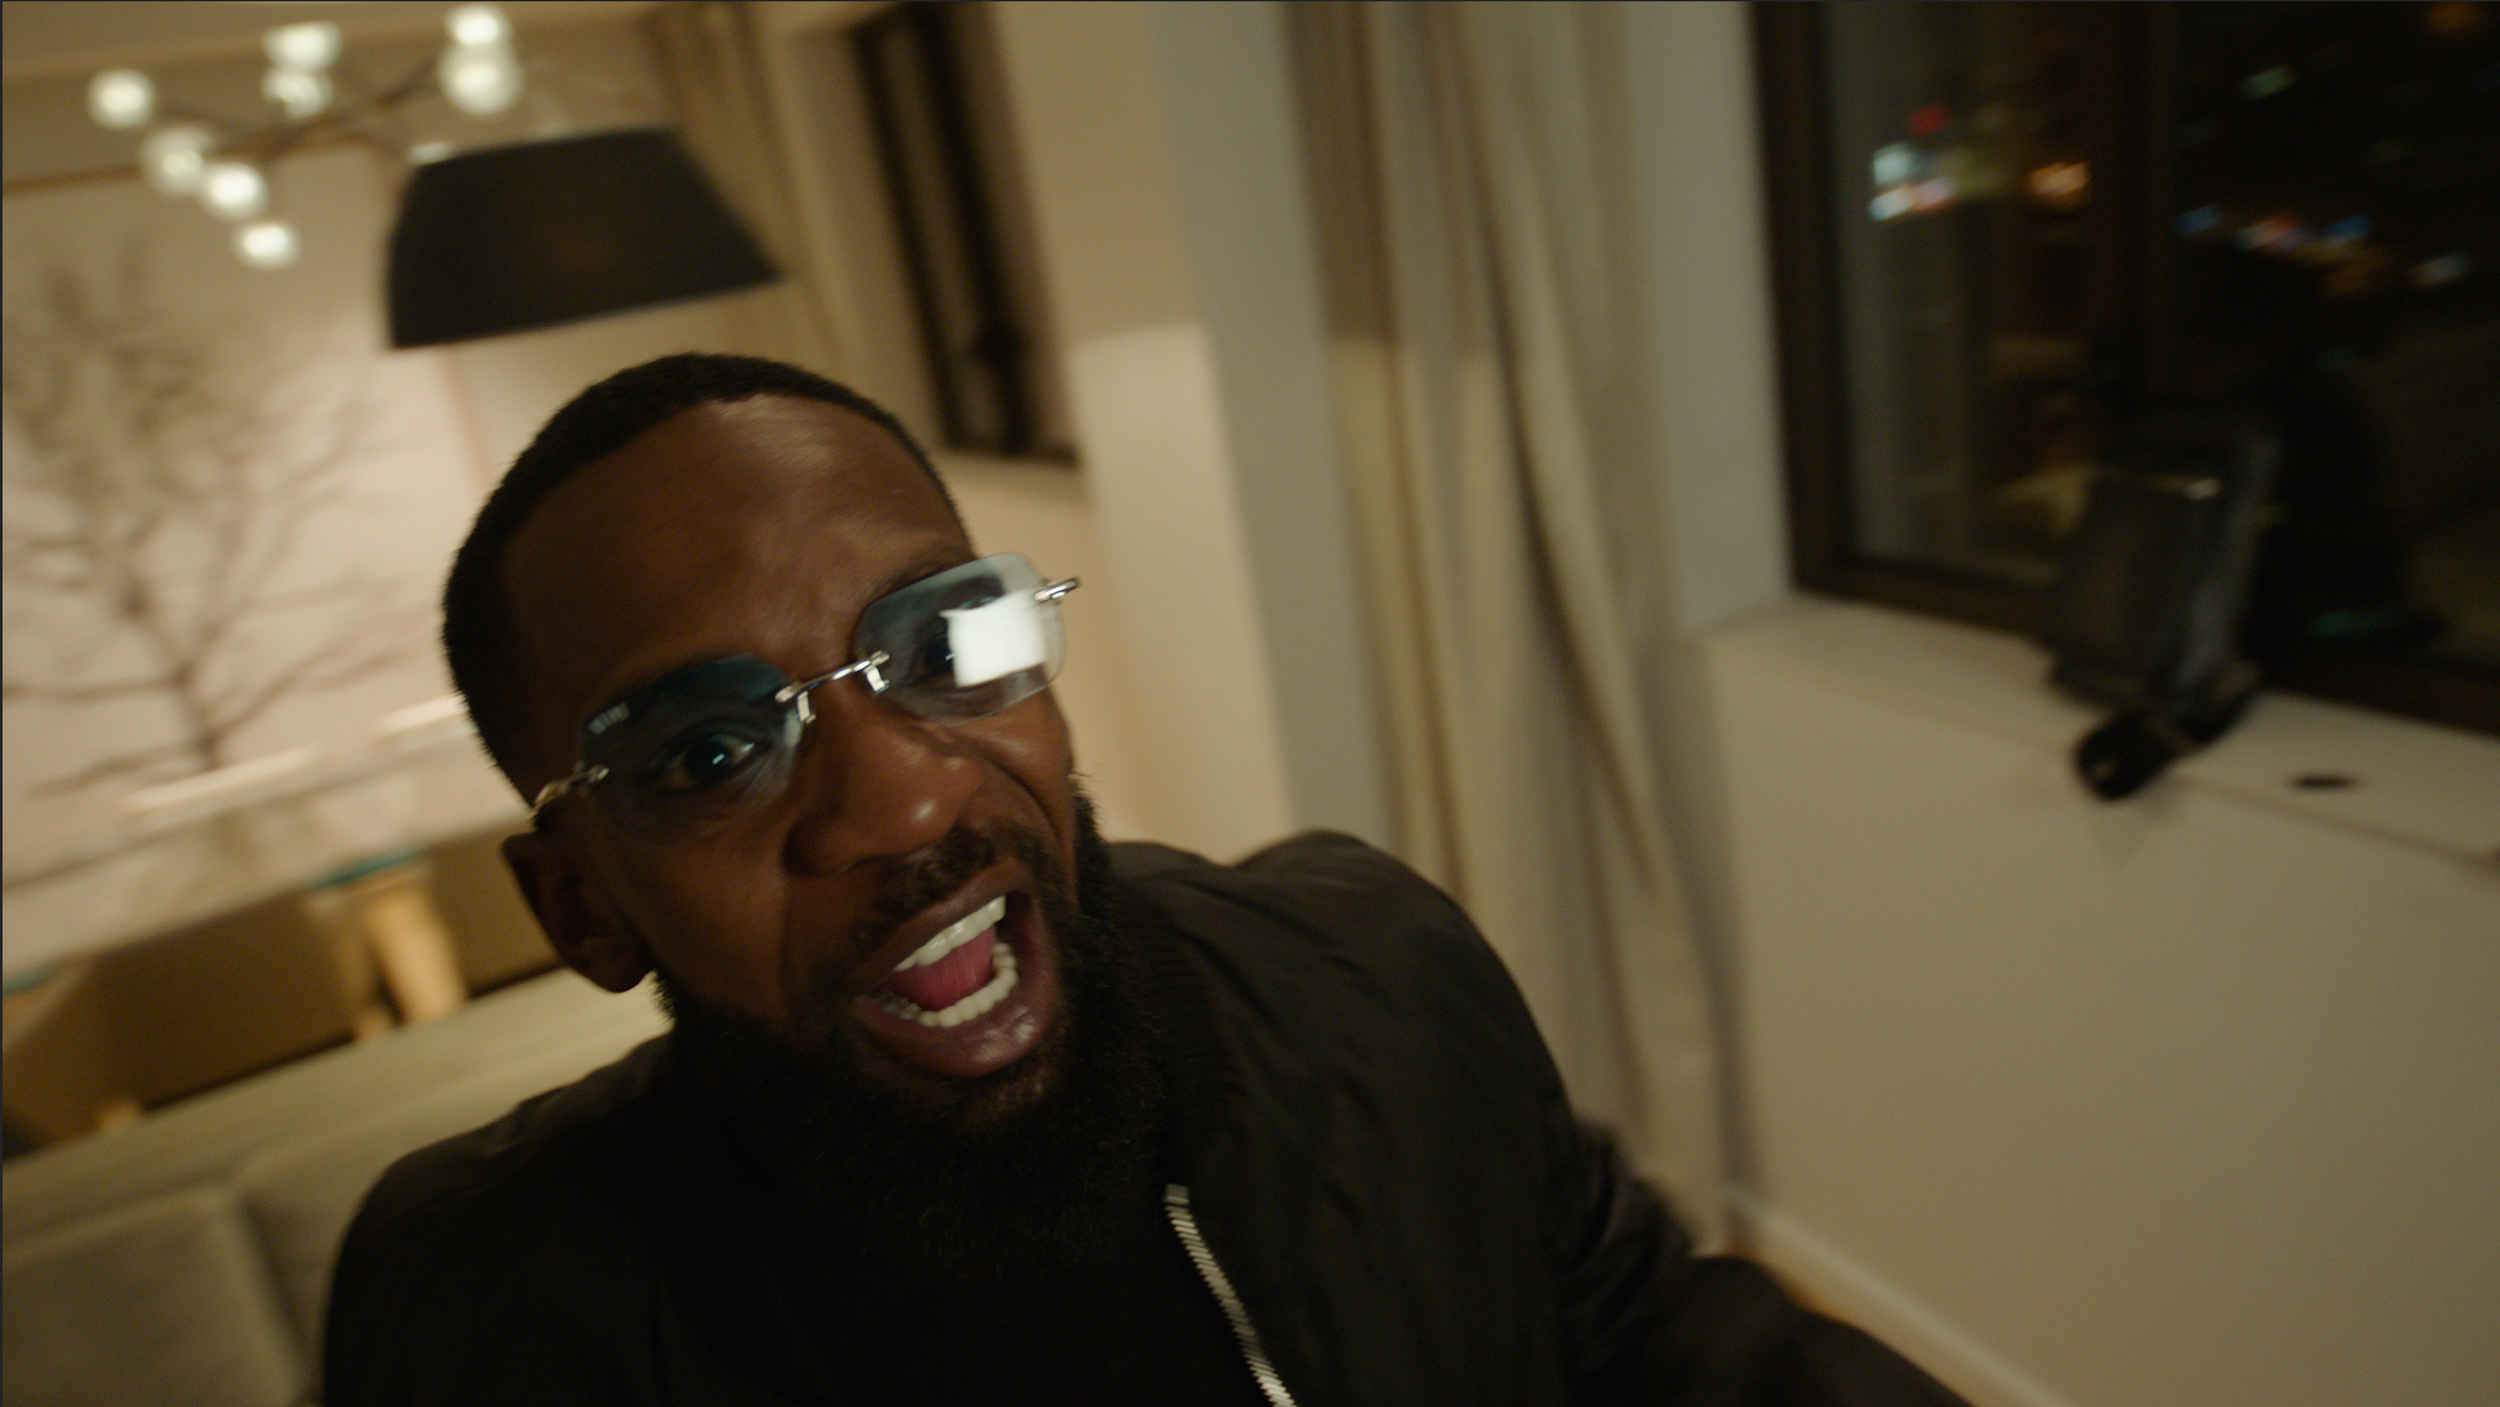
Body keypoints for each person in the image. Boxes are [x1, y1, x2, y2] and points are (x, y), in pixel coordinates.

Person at [326, 353, 1966, 1406]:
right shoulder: (481, 1314)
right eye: (706, 751)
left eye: (942, 638)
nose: (903, 794)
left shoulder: (1374, 966)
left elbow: (1641, 1334)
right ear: (582, 904)